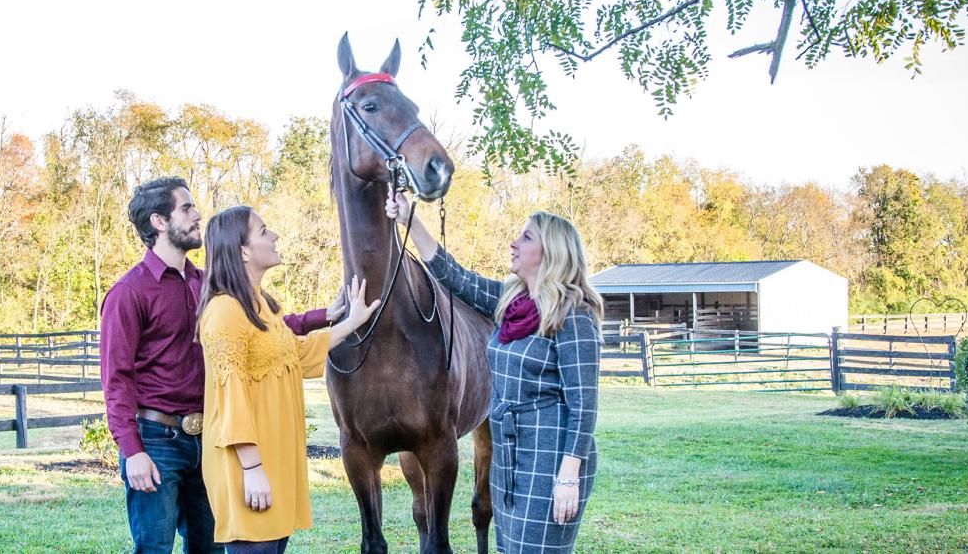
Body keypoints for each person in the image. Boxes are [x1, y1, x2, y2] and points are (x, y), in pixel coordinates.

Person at [100, 178, 342, 554]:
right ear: (159, 222)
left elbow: (264, 331)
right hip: (158, 438)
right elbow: (116, 380)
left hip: (212, 438)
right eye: (186, 208)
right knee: (153, 547)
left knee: (210, 547)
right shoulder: (128, 294)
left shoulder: (206, 284)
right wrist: (132, 450)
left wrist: (324, 316)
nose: (198, 215)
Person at [387, 188, 603, 553]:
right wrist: (411, 221)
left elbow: (583, 405)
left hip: (550, 461)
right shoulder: (512, 303)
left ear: (550, 252)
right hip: (509, 456)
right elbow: (454, 277)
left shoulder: (574, 315)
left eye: (526, 236)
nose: (514, 243)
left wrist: (569, 476)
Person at [197, 205, 381, 554]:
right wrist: (252, 469)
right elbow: (230, 398)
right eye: (264, 231)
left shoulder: (262, 305)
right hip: (248, 470)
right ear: (243, 250)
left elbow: (297, 352)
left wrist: (351, 322)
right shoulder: (224, 311)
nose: (275, 236)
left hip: (274, 463)